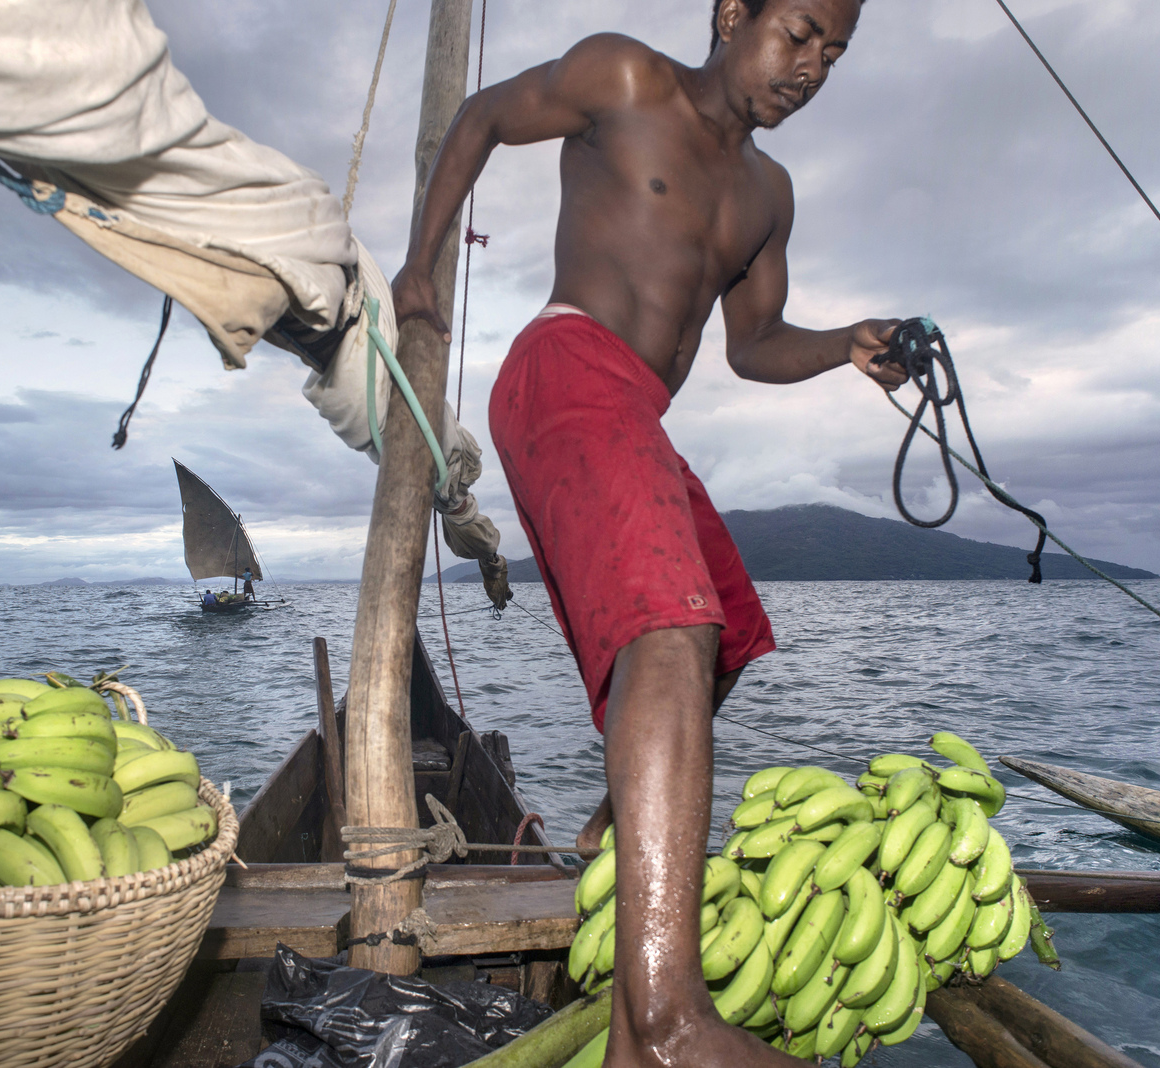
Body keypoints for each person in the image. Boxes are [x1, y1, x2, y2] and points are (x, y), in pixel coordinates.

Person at [390, 1, 906, 1064]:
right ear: (732, 14)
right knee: (669, 627)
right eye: (799, 31)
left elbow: (751, 344)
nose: (811, 66)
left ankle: (617, 839)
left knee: (728, 631)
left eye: (836, 53)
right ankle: (668, 1017)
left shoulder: (768, 194)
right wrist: (417, 266)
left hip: (632, 411)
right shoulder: (626, 79)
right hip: (564, 367)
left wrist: (848, 346)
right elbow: (484, 117)